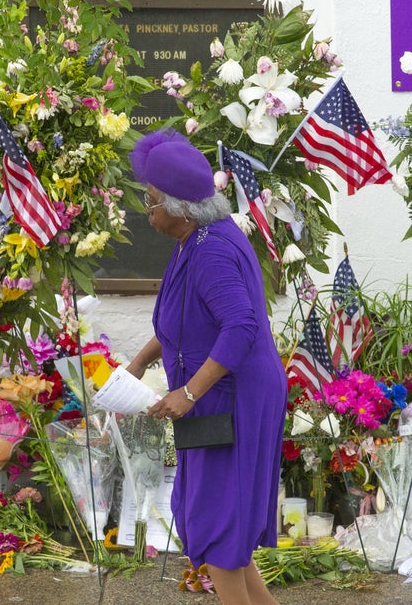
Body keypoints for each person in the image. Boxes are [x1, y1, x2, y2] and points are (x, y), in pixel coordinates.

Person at [125, 130, 285, 605]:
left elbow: (240, 327)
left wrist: (188, 392)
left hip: (230, 398)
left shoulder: (211, 249)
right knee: (221, 523)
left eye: (150, 200)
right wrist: (138, 362)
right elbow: (184, 321)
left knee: (218, 527)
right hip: (215, 395)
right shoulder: (192, 240)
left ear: (180, 207)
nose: (147, 209)